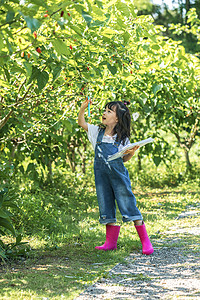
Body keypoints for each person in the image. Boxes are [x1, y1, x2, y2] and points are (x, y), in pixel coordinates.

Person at [78, 99, 154, 255]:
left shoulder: (122, 138)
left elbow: (124, 159)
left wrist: (131, 152)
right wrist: (82, 109)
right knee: (105, 204)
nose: (104, 113)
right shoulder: (96, 132)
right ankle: (110, 243)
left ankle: (146, 242)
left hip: (118, 176)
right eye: (104, 110)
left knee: (128, 203)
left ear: (118, 118)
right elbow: (81, 123)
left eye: (109, 111)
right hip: (102, 176)